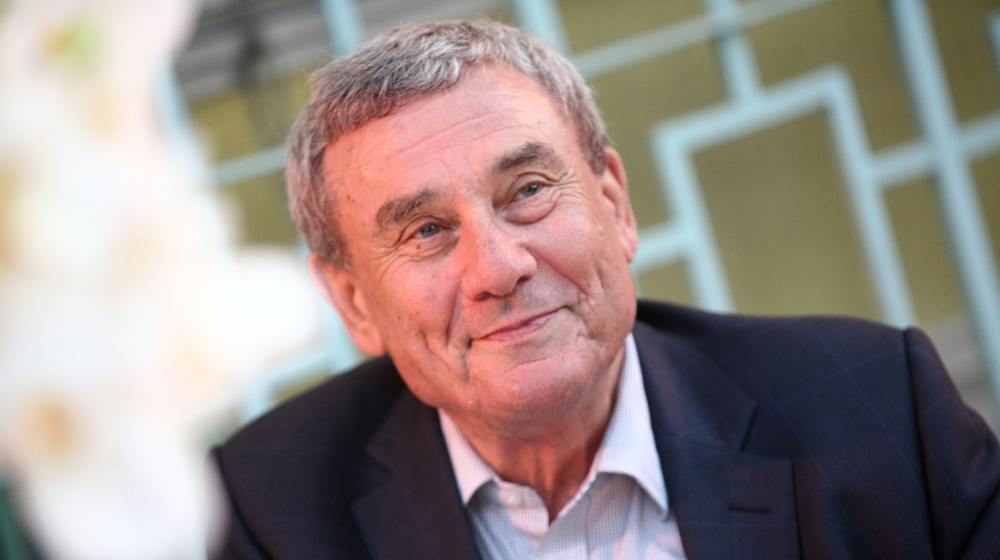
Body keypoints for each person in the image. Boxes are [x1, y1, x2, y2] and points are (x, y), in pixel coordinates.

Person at [213, 20, 1000, 560]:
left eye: (527, 191)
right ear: (354, 304)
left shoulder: (876, 405)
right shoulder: (265, 516)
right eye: (425, 231)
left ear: (615, 205)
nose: (498, 268)